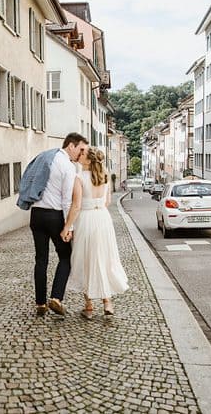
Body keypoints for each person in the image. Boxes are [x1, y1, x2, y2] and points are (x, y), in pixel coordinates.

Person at [17, 132, 89, 316]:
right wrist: (68, 227)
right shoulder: (67, 166)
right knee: (66, 257)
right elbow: (67, 201)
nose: (81, 154)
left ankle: (40, 303)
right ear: (71, 146)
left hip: (37, 214)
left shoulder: (45, 157)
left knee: (41, 259)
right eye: (80, 149)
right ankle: (56, 298)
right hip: (55, 215)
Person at [61, 147, 129, 318]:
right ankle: (108, 303)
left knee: (86, 259)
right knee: (104, 258)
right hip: (103, 219)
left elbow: (76, 206)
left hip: (86, 220)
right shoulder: (105, 176)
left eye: (82, 154)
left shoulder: (80, 178)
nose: (79, 155)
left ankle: (89, 306)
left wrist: (67, 227)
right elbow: (107, 201)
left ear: (88, 160)